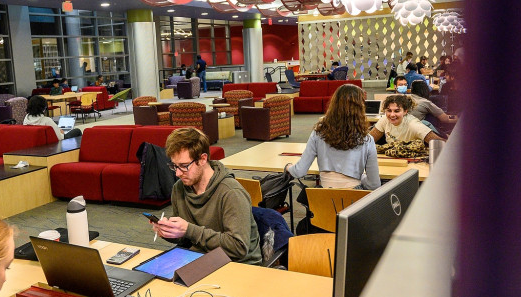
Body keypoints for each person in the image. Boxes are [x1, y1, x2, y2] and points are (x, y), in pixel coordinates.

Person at [153, 128, 261, 264]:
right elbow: (186, 239)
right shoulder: (179, 189)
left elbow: (238, 248)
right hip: (199, 258)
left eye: (184, 166)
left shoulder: (231, 192)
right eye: (174, 166)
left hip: (237, 264)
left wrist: (189, 229)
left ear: (203, 159)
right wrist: (170, 232)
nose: (178, 174)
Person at [286, 84, 381, 190]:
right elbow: (374, 184)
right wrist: (361, 177)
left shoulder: (318, 133)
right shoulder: (367, 140)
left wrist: (288, 167)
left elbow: (299, 171)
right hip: (353, 199)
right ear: (361, 108)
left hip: (323, 199)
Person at [370, 94, 442, 145]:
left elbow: (441, 144)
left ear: (405, 111)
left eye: (397, 111)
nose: (392, 115)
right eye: (389, 110)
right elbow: (368, 141)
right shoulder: (384, 119)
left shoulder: (414, 125)